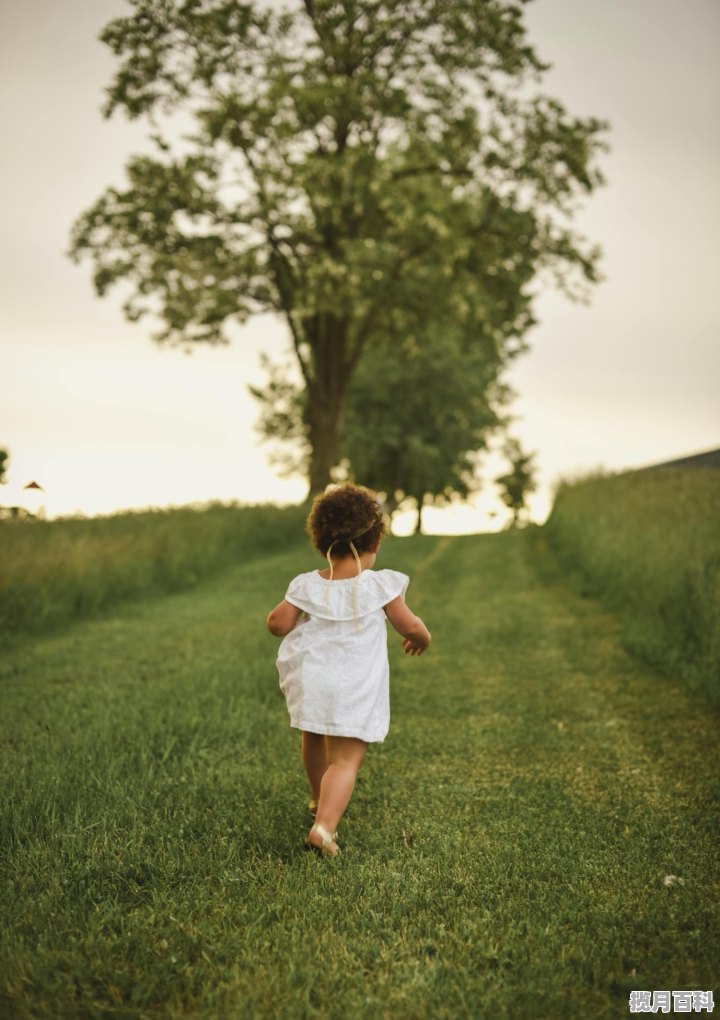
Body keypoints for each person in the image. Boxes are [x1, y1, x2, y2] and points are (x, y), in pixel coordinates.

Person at [266, 483, 431, 858]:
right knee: (345, 759)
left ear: (323, 541)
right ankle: (324, 828)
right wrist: (423, 639)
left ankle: (316, 796)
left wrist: (283, 620)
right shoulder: (380, 586)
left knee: (313, 738)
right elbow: (410, 626)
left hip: (312, 681)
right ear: (374, 543)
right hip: (353, 685)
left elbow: (278, 623)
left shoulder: (306, 585)